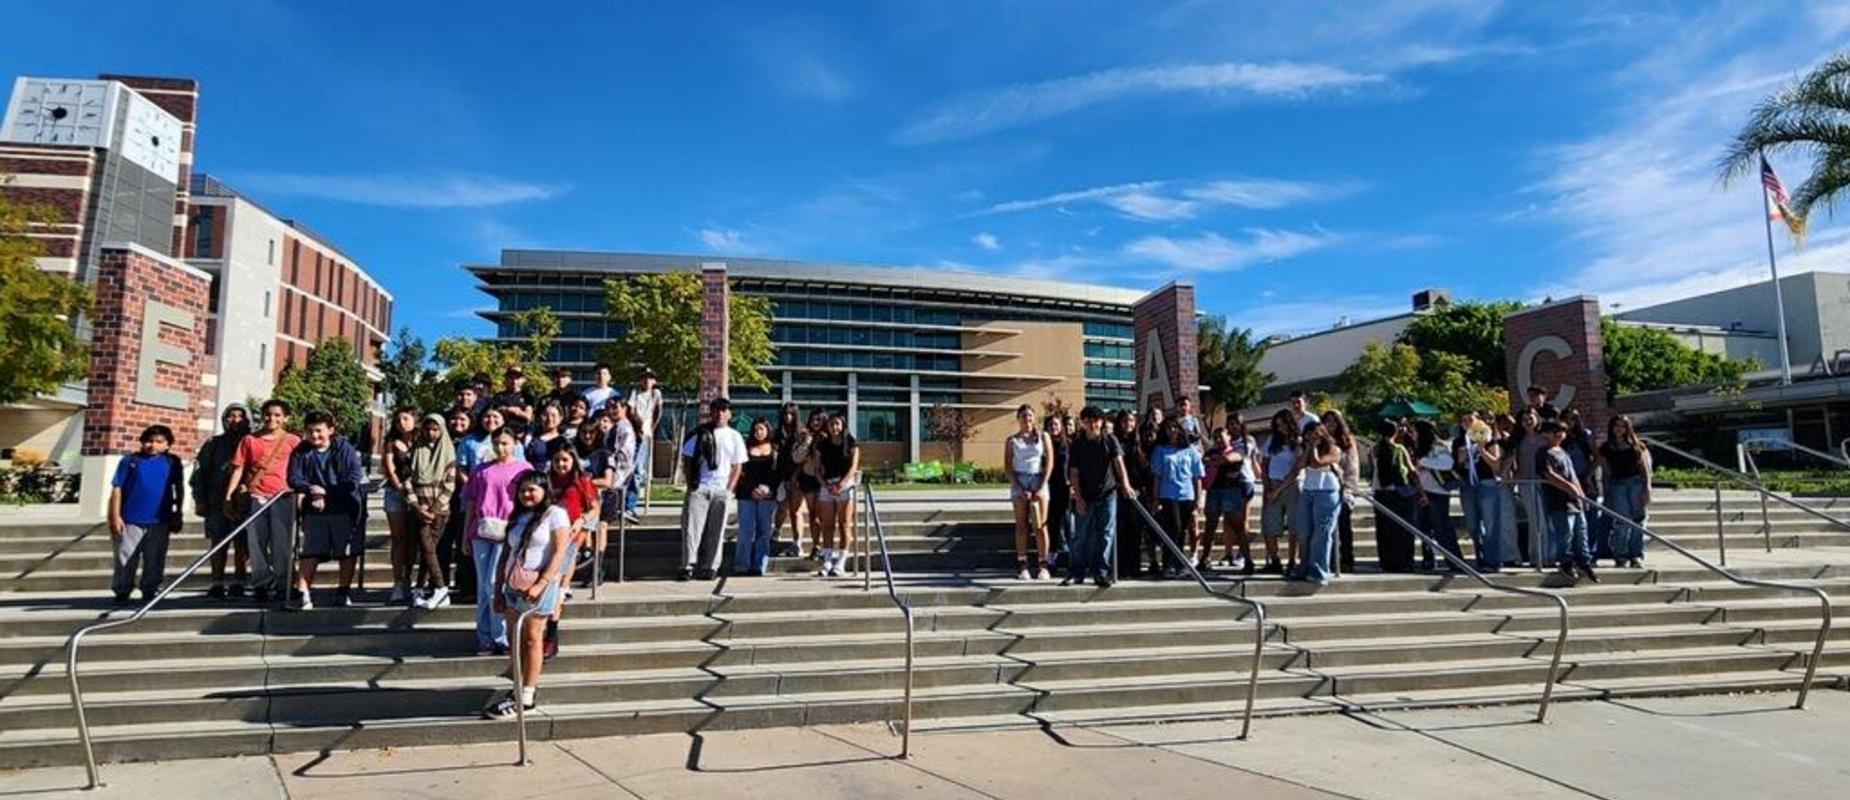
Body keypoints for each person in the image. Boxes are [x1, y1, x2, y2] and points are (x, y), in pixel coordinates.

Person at [482, 471, 572, 720]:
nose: (526, 495)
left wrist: (541, 584)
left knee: (532, 638)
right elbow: (505, 554)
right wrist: (498, 589)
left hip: (538, 586)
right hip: (513, 585)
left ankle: (528, 694)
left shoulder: (555, 514)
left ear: (544, 490)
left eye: (532, 489)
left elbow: (560, 552)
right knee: (515, 639)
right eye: (522, 490)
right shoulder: (519, 516)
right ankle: (517, 688)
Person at [285, 412, 366, 610]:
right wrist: (311, 489)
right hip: (315, 509)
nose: (314, 435)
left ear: (330, 430)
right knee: (311, 551)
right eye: (310, 431)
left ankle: (343, 591)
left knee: (346, 552)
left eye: (319, 431)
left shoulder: (344, 449)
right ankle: (302, 593)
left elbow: (352, 477)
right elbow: (294, 477)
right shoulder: (301, 451)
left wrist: (326, 493)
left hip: (344, 507)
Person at [225, 400, 301, 605]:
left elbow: (301, 468)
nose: (272, 418)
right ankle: (261, 582)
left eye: (277, 415)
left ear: (286, 418)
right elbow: (238, 468)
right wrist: (229, 495)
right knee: (256, 541)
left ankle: (283, 582)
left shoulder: (293, 441)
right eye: (268, 414)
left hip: (283, 495)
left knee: (283, 542)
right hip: (256, 495)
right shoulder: (249, 440)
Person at [464, 428, 528, 655]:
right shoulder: (481, 470)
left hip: (508, 532)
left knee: (495, 583)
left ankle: (499, 634)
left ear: (514, 444)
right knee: (483, 586)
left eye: (505, 443)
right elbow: (471, 502)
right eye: (497, 443)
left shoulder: (523, 470)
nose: (501, 448)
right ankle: (484, 636)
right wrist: (465, 535)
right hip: (481, 531)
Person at [108, 425, 184, 605]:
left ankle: (150, 589)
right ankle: (122, 589)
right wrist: (115, 515)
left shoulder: (172, 462)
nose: (153, 445)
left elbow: (178, 487)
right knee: (126, 557)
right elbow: (117, 488)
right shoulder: (131, 461)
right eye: (149, 441)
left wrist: (178, 512)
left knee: (155, 557)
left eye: (159, 442)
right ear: (142, 442)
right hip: (130, 517)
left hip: (160, 518)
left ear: (167, 444)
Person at [679, 397, 748, 581]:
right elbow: (687, 458)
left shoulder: (735, 436)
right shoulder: (700, 432)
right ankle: (688, 565)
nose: (720, 414)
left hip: (721, 489)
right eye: (716, 410)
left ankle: (711, 566)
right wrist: (691, 484)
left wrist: (729, 489)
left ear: (730, 414)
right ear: (711, 412)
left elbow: (737, 466)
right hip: (701, 487)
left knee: (717, 531)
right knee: (692, 529)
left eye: (724, 411)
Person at [1067, 406, 1136, 587]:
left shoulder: (1110, 440)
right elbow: (1074, 473)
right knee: (1081, 534)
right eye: (1088, 421)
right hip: (1085, 495)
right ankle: (1077, 572)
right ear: (1083, 423)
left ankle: (1101, 572)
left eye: (1096, 420)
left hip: (1107, 493)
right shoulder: (1078, 444)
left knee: (1106, 533)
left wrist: (1126, 484)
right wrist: (1078, 498)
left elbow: (1119, 463)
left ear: (1101, 422)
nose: (1092, 424)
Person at [543, 441, 596, 659]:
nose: (561, 464)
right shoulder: (546, 480)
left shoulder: (582, 481)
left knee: (556, 589)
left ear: (573, 460)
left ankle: (551, 636)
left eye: (565, 460)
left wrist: (582, 521)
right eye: (557, 460)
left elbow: (594, 509)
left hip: (569, 540)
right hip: (546, 539)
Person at [191, 404, 250, 600]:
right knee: (218, 543)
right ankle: (217, 582)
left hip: (243, 501)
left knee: (242, 544)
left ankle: (239, 581)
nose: (235, 419)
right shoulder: (213, 444)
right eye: (231, 416)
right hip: (216, 501)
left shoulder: (251, 441)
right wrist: (199, 499)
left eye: (240, 416)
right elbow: (200, 473)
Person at [404, 413, 458, 609]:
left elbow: (450, 485)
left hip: (439, 510)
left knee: (430, 550)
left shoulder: (448, 452)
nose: (431, 433)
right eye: (427, 429)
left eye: (435, 429)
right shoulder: (414, 450)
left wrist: (433, 509)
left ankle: (427, 588)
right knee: (427, 549)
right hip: (418, 508)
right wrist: (417, 506)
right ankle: (437, 587)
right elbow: (406, 481)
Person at [1537, 420, 1597, 582]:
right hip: (1559, 501)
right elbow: (1548, 474)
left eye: (1561, 432)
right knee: (1565, 534)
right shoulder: (1544, 453)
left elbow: (1573, 476)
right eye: (1554, 432)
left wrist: (1580, 494)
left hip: (1574, 502)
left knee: (1581, 533)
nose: (1559, 435)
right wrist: (1568, 487)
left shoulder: (1564, 452)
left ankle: (1584, 562)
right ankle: (1566, 562)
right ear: (1545, 434)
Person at [1149, 419, 1205, 578]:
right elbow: (1157, 476)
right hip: (1168, 494)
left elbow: (1197, 476)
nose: (1172, 431)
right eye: (1168, 428)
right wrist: (1155, 498)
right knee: (1173, 527)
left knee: (1181, 531)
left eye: (1174, 427)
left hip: (1187, 495)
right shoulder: (1160, 450)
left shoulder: (1190, 450)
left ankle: (1178, 563)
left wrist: (1198, 498)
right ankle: (1168, 563)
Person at [1004, 405, 1055, 581]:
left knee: (1041, 524)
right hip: (1020, 480)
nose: (1027, 419)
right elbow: (1008, 467)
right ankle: (1022, 563)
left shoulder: (1043, 436)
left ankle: (1044, 564)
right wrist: (1019, 487)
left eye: (1030, 415)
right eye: (1024, 416)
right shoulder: (1012, 440)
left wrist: (1042, 485)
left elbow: (1050, 462)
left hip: (1038, 479)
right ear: (1018, 419)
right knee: (1021, 524)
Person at [1452, 410, 1505, 572]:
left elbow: (1496, 465)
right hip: (1467, 484)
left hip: (1487, 482)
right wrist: (1462, 457)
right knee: (1472, 524)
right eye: (1464, 420)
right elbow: (1456, 465)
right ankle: (1480, 556)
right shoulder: (1458, 441)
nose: (1467, 423)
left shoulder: (1489, 438)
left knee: (1490, 522)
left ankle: (1493, 560)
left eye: (1470, 419)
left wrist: (1481, 450)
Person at [1598, 415, 1652, 568]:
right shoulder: (1606, 447)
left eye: (1622, 426)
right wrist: (1606, 492)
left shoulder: (1637, 446)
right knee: (1621, 521)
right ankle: (1620, 554)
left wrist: (1647, 487)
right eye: (1616, 426)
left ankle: (1636, 554)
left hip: (1636, 483)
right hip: (1617, 484)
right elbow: (1606, 471)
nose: (1619, 429)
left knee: (1638, 520)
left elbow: (1645, 469)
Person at [812, 412, 862, 578]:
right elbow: (817, 469)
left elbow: (854, 467)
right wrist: (825, 485)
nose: (834, 427)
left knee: (844, 524)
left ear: (843, 425)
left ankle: (841, 561)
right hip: (827, 485)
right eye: (831, 424)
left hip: (845, 485)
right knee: (827, 524)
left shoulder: (851, 442)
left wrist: (842, 483)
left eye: (837, 424)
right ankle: (827, 560)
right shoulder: (822, 445)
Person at [1201, 424, 1256, 573]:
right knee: (1210, 526)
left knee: (1238, 526)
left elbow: (1228, 459)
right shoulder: (1210, 452)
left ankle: (1248, 560)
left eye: (1221, 436)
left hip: (1231, 491)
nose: (1218, 440)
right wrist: (1215, 460)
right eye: (1215, 437)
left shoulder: (1238, 450)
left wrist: (1214, 461)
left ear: (1229, 437)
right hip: (1214, 491)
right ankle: (1205, 558)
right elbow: (1204, 461)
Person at [1293, 421, 1342, 586]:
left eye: (1315, 433)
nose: (1311, 436)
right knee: (1304, 532)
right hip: (1308, 491)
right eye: (1308, 434)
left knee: (1321, 534)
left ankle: (1319, 571)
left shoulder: (1334, 450)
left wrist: (1314, 447)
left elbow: (1317, 463)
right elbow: (1299, 466)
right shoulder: (1306, 450)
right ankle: (1304, 567)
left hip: (1326, 491)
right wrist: (1308, 448)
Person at [380, 407, 420, 604]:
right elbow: (389, 467)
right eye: (398, 420)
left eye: (406, 418)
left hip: (417, 493)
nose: (401, 423)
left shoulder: (420, 441)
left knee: (413, 539)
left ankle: (409, 579)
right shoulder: (391, 442)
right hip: (395, 493)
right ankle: (397, 582)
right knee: (398, 538)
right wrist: (399, 487)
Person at [735, 417, 783, 577]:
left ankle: (759, 565)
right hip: (746, 494)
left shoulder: (775, 450)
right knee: (745, 531)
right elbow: (740, 472)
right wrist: (752, 489)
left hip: (767, 495)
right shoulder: (745, 448)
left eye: (761, 429)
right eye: (755, 429)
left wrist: (769, 488)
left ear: (768, 430)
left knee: (764, 531)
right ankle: (742, 565)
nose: (758, 432)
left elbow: (778, 474)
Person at [1370, 420, 1419, 573]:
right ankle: (1404, 561)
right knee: (1401, 529)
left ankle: (1386, 562)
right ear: (1395, 432)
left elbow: (1374, 469)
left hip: (1380, 491)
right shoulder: (1399, 448)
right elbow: (1411, 470)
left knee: (1383, 529)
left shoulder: (1374, 449)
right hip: (1398, 491)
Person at [1412, 418, 1461, 572]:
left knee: (1442, 528)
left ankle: (1454, 560)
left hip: (1438, 492)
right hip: (1422, 491)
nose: (1412, 434)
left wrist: (1423, 462)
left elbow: (1447, 463)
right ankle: (1429, 559)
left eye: (1414, 431)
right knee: (1424, 528)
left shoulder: (1438, 446)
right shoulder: (1418, 447)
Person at [1257, 409, 1300, 574]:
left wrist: (1280, 487)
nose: (1281, 428)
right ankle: (1274, 560)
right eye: (1278, 425)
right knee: (1270, 526)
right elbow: (1264, 465)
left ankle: (1292, 560)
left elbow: (1297, 468)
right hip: (1273, 484)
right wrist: (1267, 487)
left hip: (1291, 485)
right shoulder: (1272, 441)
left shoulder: (1298, 442)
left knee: (1294, 526)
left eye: (1283, 425)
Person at [445, 406, 481, 599]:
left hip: (480, 499)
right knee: (459, 541)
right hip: (458, 496)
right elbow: (461, 469)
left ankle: (471, 584)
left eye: (463, 420)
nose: (458, 423)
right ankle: (457, 584)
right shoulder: (451, 440)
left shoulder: (480, 441)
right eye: (455, 419)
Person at [1320, 410, 1360, 574]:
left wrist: (1349, 488)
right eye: (1327, 421)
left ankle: (1347, 560)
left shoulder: (1347, 441)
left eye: (1333, 421)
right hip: (1323, 489)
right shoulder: (1320, 441)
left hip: (1342, 489)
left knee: (1344, 526)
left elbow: (1352, 467)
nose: (1330, 424)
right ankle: (1329, 560)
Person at [1113, 409, 1151, 577]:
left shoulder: (1140, 443)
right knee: (1121, 530)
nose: (1127, 424)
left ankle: (1134, 566)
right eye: (1124, 421)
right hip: (1118, 490)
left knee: (1136, 531)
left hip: (1137, 491)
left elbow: (1145, 470)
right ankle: (1121, 567)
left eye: (1130, 420)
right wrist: (1120, 485)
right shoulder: (1114, 442)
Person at [772, 402, 806, 556]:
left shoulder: (801, 434)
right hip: (781, 476)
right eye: (785, 414)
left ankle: (797, 543)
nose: (788, 417)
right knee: (782, 508)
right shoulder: (777, 433)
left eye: (791, 414)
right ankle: (777, 530)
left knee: (795, 511)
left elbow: (804, 458)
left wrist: (794, 476)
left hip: (797, 477)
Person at [794, 409, 827, 560]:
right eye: (813, 419)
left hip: (825, 479)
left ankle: (826, 546)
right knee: (813, 514)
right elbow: (796, 458)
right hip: (808, 478)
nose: (815, 423)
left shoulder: (828, 437)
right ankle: (816, 546)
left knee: (823, 515)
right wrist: (807, 442)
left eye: (819, 419)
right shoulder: (804, 436)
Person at [629, 368, 665, 505]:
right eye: (644, 378)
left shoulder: (656, 394)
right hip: (634, 432)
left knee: (639, 469)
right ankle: (626, 501)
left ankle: (631, 503)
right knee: (631, 467)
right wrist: (638, 424)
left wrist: (651, 429)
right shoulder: (635, 393)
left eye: (650, 378)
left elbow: (658, 412)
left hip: (646, 433)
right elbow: (631, 410)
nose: (647, 381)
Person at [1044, 415, 1073, 573]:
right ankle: (1051, 559)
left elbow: (1073, 466)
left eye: (1056, 424)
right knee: (1052, 524)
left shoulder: (1068, 444)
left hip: (1065, 488)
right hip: (1048, 488)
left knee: (1068, 523)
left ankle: (1072, 557)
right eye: (1050, 424)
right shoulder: (1042, 444)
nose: (1053, 427)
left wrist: (1073, 484)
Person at [490, 367, 535, 437]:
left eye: (517, 378)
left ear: (523, 380)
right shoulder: (499, 396)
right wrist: (509, 409)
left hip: (521, 434)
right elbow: (494, 412)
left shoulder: (527, 397)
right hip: (501, 433)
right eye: (511, 378)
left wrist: (516, 412)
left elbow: (528, 416)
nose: (514, 381)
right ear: (506, 379)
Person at [525, 402, 568, 468]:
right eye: (545, 415)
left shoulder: (563, 441)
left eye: (553, 415)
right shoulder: (531, 438)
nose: (549, 419)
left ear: (560, 418)